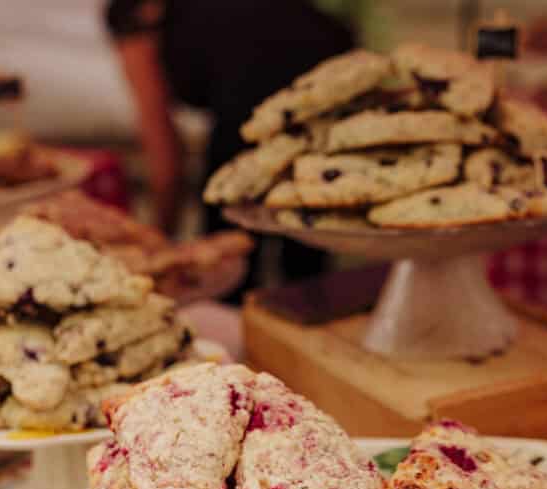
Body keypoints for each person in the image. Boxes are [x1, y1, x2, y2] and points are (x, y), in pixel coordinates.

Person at [105, 0, 360, 298]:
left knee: (229, 263)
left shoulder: (135, 23)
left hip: (255, 103)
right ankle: (307, 329)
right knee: (307, 240)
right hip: (332, 58)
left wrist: (160, 242)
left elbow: (163, 150)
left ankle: (248, 331)